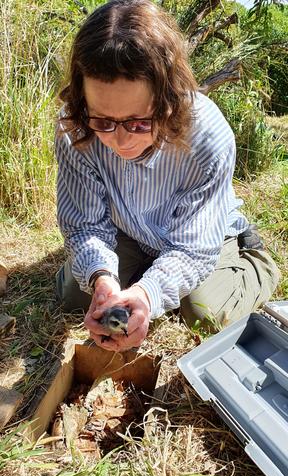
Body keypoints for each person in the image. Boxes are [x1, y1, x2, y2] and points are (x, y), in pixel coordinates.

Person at [55, 0, 280, 352]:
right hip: (129, 227)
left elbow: (191, 248)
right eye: (102, 121)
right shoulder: (75, 126)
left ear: (169, 101)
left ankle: (255, 262)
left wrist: (148, 293)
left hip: (199, 230)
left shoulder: (208, 135)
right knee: (76, 295)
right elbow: (85, 225)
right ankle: (139, 266)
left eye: (138, 122)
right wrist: (102, 278)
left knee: (204, 311)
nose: (120, 140)